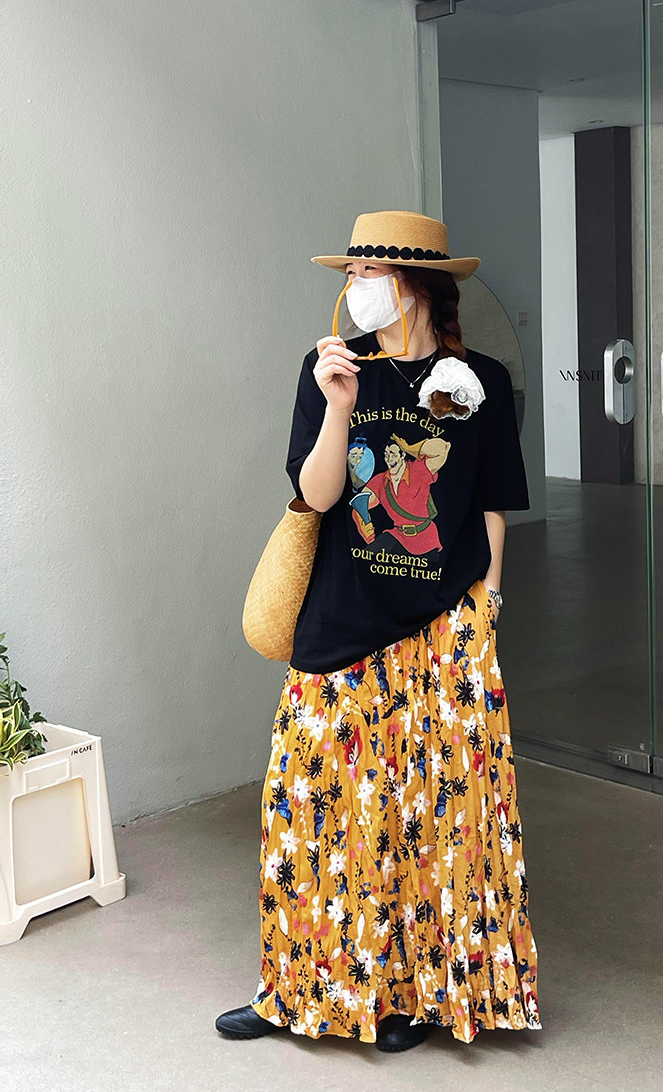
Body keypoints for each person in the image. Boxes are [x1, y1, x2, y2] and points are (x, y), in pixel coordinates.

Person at [215, 210, 540, 1051]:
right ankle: (297, 990)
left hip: (443, 629)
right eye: (351, 274)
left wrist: (489, 607)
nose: (355, 288)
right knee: (312, 811)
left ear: (416, 283)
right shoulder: (332, 369)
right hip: (343, 622)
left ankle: (414, 998)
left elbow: (493, 505)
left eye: (369, 273)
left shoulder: (481, 382)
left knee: (431, 820)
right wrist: (338, 408)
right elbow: (317, 495)